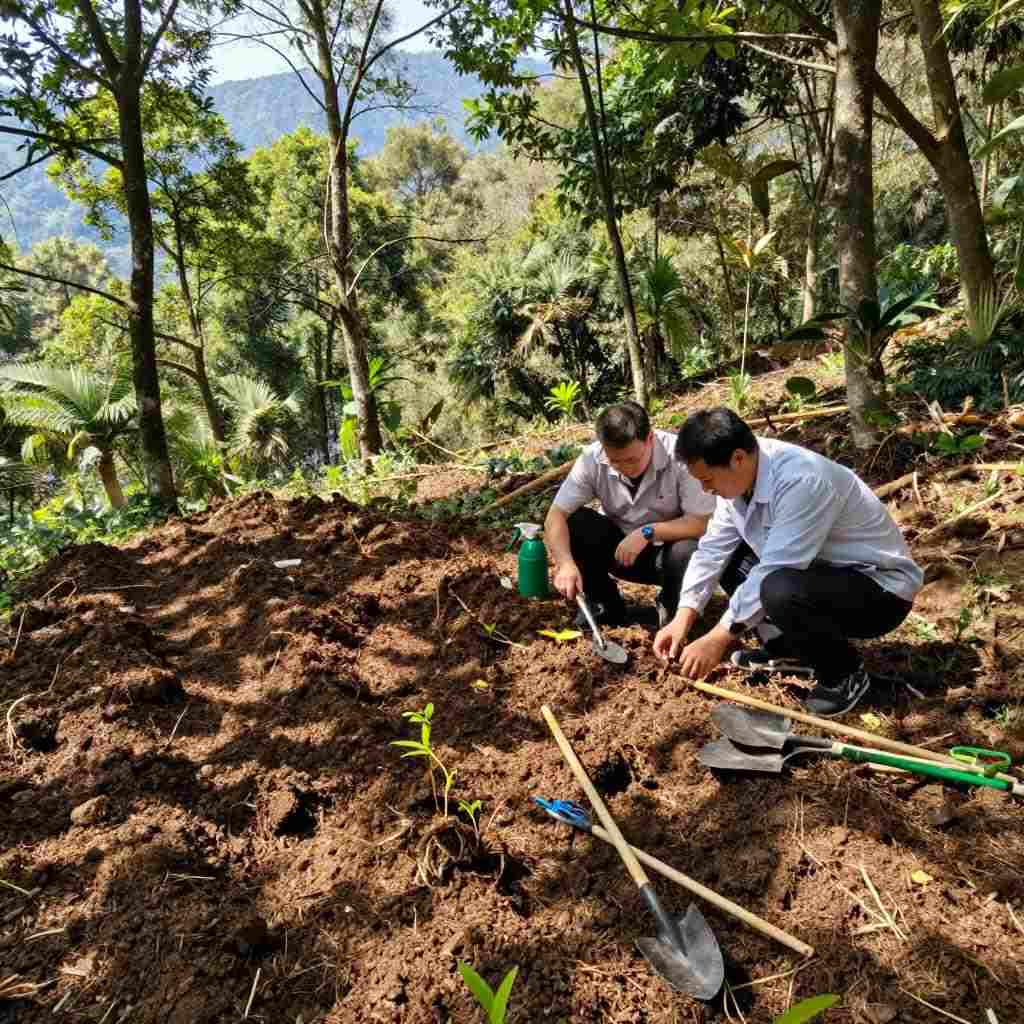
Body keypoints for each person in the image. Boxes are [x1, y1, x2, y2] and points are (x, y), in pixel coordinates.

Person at [653, 407, 923, 716]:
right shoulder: (740, 482)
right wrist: (682, 618)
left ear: (737, 458)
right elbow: (713, 550)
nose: (706, 489)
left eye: (708, 479)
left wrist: (717, 638)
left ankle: (844, 674)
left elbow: (778, 568)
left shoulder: (802, 480)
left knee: (778, 587)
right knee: (734, 559)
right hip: (820, 577)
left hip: (880, 592)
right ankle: (789, 651)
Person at [545, 401, 716, 627]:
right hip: (620, 553)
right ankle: (605, 607)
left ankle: (673, 609)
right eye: (615, 461)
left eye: (632, 459)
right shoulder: (592, 460)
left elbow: (701, 523)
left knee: (688, 549)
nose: (625, 467)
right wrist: (565, 563)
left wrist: (647, 532)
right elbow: (555, 515)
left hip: (669, 558)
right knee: (577, 522)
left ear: (650, 439)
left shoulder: (681, 458)